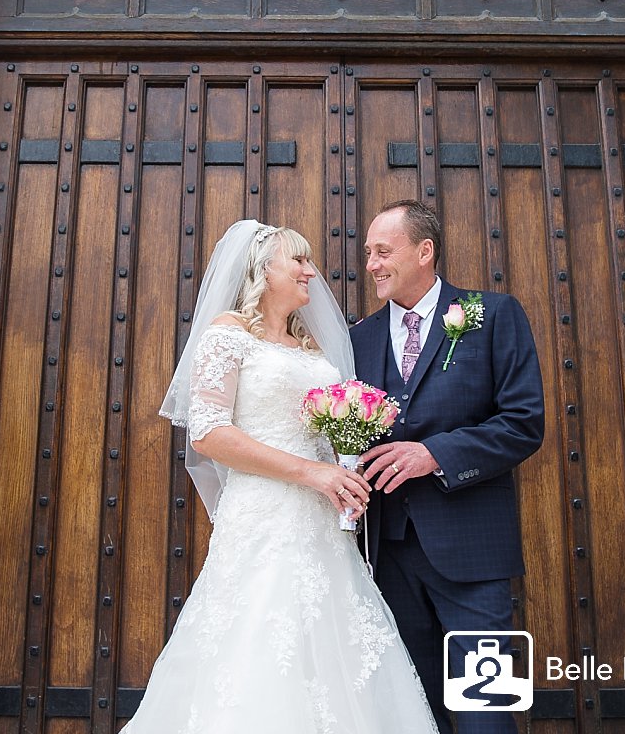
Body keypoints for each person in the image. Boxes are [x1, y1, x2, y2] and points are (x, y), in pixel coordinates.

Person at [125, 219, 439, 734]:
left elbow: (325, 437)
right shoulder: (227, 334)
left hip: (321, 526)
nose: (310, 273)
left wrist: (344, 476)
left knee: (336, 652)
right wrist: (312, 473)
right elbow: (208, 433)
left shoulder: (311, 349)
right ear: (263, 270)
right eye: (298, 261)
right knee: (257, 647)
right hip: (263, 517)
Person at [352, 201, 545, 734]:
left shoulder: (494, 314)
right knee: (412, 712)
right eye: (368, 253)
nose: (371, 264)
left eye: (383, 251)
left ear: (425, 251)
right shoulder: (358, 339)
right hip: (385, 553)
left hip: (472, 551)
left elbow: (524, 422)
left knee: (487, 710)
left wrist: (435, 454)